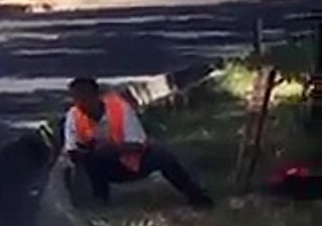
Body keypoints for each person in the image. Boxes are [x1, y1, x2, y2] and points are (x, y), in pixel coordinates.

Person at [63, 77, 215, 209]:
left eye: (85, 96)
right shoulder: (74, 116)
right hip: (103, 167)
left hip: (132, 162)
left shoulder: (119, 108)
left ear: (96, 95)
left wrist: (112, 150)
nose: (82, 102)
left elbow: (138, 144)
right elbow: (71, 150)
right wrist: (86, 152)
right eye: (77, 98)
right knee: (92, 160)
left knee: (162, 157)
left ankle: (196, 197)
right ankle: (100, 200)